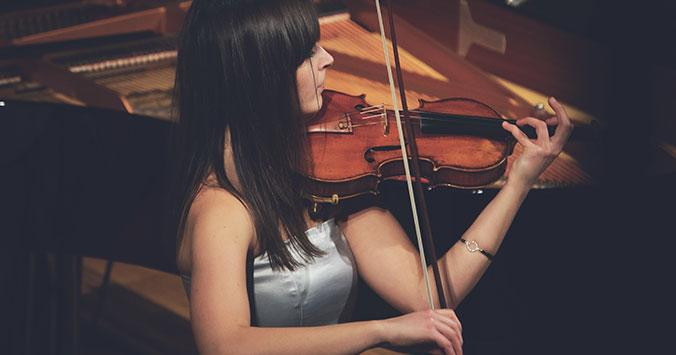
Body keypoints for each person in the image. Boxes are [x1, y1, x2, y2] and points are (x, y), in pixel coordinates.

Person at [168, 1, 573, 354]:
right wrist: (381, 331)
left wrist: (518, 183)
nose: (328, 59)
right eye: (308, 53)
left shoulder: (327, 172)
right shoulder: (222, 210)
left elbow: (426, 291)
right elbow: (224, 345)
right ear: (261, 76)